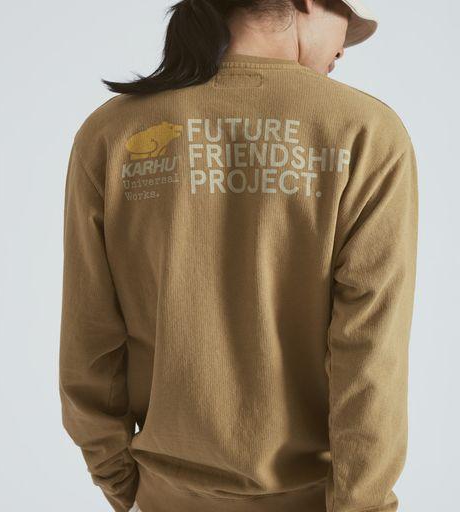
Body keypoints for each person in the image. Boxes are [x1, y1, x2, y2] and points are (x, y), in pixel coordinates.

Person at [59, 1, 419, 511]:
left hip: (162, 499)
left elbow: (89, 336)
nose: (343, 49)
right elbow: (369, 354)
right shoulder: (366, 133)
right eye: (346, 22)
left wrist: (122, 483)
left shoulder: (112, 133)